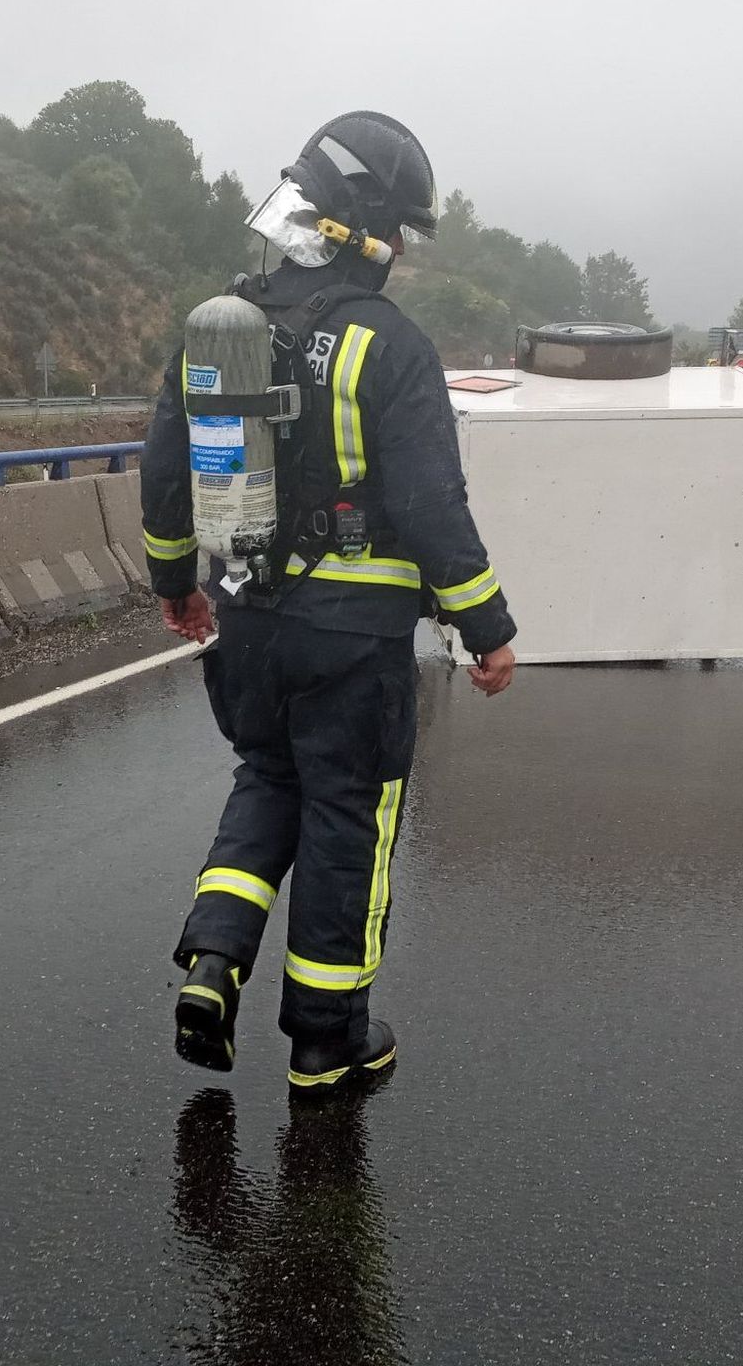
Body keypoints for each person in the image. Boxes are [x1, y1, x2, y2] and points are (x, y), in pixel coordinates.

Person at [142, 111, 517, 1096]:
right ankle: (327, 1042)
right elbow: (431, 507)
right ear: (368, 229)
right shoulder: (390, 347)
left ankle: (214, 961)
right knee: (348, 820)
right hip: (351, 641)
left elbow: (165, 469)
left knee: (267, 777)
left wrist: (175, 584)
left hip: (248, 622)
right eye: (398, 232)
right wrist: (486, 625)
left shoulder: (223, 329)